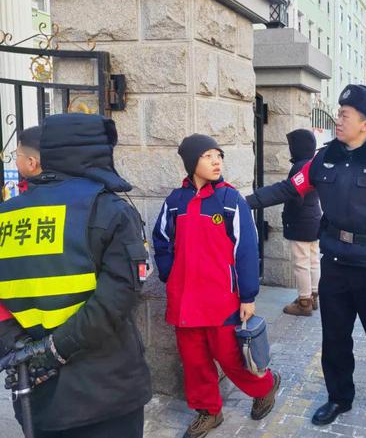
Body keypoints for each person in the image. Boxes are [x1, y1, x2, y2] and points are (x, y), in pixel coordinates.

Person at [246, 84, 366, 438]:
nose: (337, 120)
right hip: (336, 263)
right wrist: (241, 202)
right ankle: (339, 397)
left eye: (344, 115)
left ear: (365, 124)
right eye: (339, 114)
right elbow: (288, 188)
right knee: (335, 337)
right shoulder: (324, 158)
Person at [0, 113, 152, 437]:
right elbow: (119, 295)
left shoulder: (7, 215)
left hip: (39, 392)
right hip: (108, 389)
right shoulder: (109, 209)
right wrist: (55, 349)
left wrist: (22, 347)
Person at [152, 134, 280, 438]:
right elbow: (161, 241)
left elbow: (246, 249)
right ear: (191, 162)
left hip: (222, 299)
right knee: (194, 361)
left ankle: (265, 387)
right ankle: (208, 411)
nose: (216, 161)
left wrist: (248, 295)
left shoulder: (230, 200)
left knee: (230, 357)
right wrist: (171, 275)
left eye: (218, 155)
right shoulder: (175, 202)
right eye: (207, 156)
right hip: (185, 300)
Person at [281, 129, 322, 316]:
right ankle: (314, 296)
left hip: (301, 221)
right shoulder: (313, 164)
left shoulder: (298, 167)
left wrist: (288, 219)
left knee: (301, 263)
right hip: (314, 218)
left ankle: (304, 302)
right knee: (313, 260)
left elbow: (295, 198)